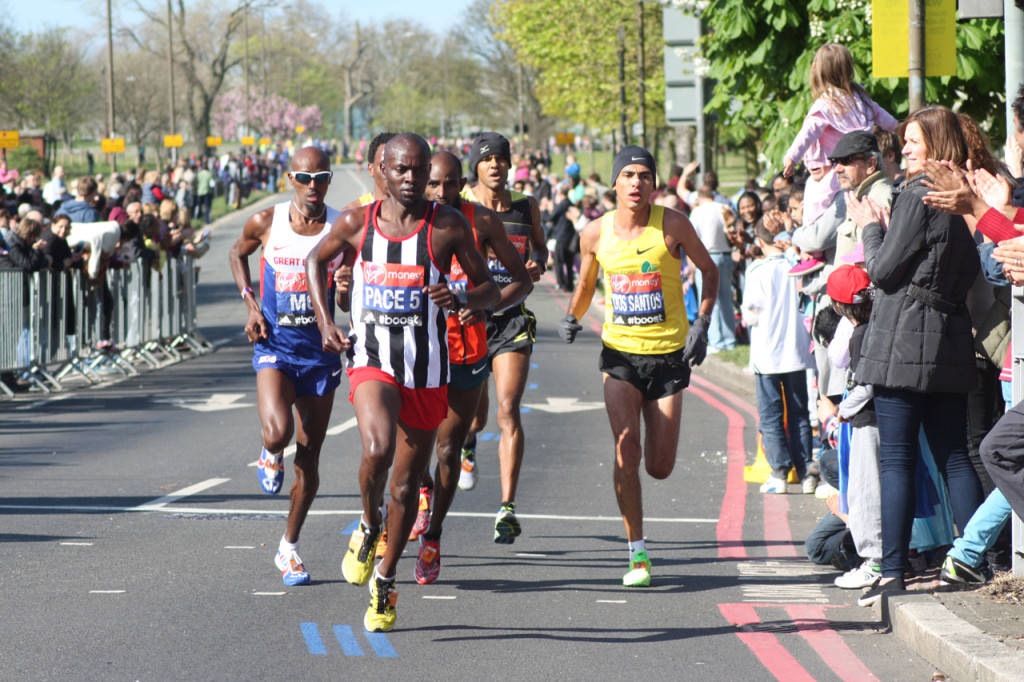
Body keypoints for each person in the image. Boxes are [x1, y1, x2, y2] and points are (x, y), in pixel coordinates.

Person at [306, 133, 499, 632]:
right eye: (402, 171)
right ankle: (368, 528)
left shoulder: (448, 226)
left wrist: (462, 297)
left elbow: (492, 287)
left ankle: (386, 582)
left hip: (429, 370)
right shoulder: (357, 222)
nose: (412, 180)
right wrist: (327, 321)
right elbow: (314, 260)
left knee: (406, 485)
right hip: (373, 360)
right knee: (376, 445)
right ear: (382, 171)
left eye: (419, 171)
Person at [558, 145, 716, 587]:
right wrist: (572, 315)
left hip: (668, 356)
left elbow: (710, 270)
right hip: (621, 356)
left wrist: (701, 322)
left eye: (644, 175)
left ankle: (633, 478)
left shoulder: (673, 224)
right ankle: (638, 553)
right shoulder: (595, 233)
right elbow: (587, 283)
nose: (635, 183)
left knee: (659, 467)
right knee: (627, 449)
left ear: (654, 184)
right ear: (614, 182)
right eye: (627, 174)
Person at [848, 105, 984, 606]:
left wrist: (870, 226)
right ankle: (975, 559)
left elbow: (882, 272)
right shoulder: (966, 194)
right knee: (954, 456)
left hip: (902, 339)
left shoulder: (916, 195)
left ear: (935, 144)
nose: (902, 149)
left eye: (912, 141)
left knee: (897, 459)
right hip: (948, 337)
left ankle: (891, 571)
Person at [227, 146, 345, 587]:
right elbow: (237, 255)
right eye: (305, 177)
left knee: (309, 459)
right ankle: (268, 450)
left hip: (320, 357)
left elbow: (348, 298)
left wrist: (347, 290)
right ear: (290, 178)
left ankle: (289, 548)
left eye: (322, 177)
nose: (314, 186)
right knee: (278, 433)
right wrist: (251, 305)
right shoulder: (267, 221)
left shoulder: (340, 227)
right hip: (276, 346)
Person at [413, 150, 533, 584]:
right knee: (405, 447)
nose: (442, 193)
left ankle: (434, 536)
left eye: (451, 184)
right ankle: (413, 498)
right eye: (434, 184)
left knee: (449, 446)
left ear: (462, 183)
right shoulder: (406, 220)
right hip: (416, 350)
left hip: (466, 348)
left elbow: (521, 279)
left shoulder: (480, 221)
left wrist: (481, 305)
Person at [459, 132, 546, 543]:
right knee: (474, 418)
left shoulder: (526, 207)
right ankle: (468, 444)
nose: (495, 165)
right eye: (487, 159)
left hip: (511, 319)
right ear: (475, 165)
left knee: (508, 409)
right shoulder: (459, 205)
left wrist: (535, 263)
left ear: (510, 164)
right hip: (469, 321)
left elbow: (541, 251)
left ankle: (507, 507)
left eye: (501, 159)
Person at [782, 43, 898, 228]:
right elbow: (881, 115)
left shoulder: (826, 104)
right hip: (868, 163)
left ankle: (812, 247)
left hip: (839, 167)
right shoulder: (859, 95)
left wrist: (791, 156)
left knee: (816, 201)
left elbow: (807, 134)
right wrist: (899, 127)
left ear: (819, 72)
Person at [743, 218, 815, 494]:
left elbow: (751, 313)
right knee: (799, 413)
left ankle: (779, 473)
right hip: (796, 350)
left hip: (767, 354)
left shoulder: (757, 268)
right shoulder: (795, 264)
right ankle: (806, 470)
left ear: (760, 242)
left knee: (770, 415)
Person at [687, 186, 735, 351]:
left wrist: (692, 269)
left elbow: (692, 241)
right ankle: (730, 340)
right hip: (726, 255)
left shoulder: (698, 212)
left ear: (699, 198)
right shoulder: (723, 208)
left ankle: (716, 341)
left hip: (707, 257)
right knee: (726, 299)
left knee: (709, 300)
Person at [346, 132, 396, 209]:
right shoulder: (352, 214)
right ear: (371, 169)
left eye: (398, 167)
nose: (390, 173)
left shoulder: (418, 212)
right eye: (384, 166)